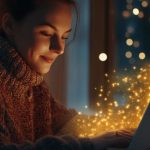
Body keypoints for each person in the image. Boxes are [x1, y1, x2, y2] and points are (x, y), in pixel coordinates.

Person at [0, 0, 133, 149]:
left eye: (64, 37)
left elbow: (65, 123)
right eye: (46, 33)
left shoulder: (33, 84)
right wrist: (89, 145)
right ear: (9, 25)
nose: (60, 48)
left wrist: (124, 128)